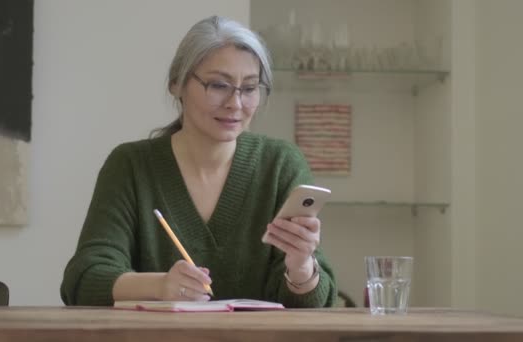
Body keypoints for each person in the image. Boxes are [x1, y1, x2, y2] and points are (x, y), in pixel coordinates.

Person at [60, 15, 337, 308]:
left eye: (250, 88)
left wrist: (301, 267)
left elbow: (318, 304)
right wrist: (161, 285)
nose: (236, 103)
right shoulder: (130, 166)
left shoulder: (281, 165)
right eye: (218, 85)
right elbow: (83, 280)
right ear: (177, 84)